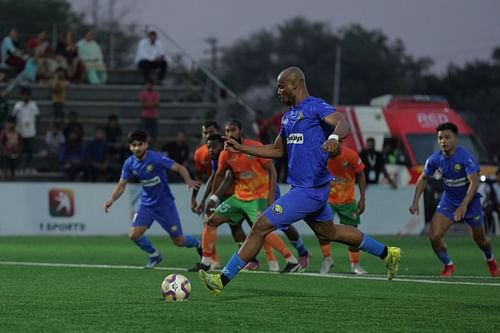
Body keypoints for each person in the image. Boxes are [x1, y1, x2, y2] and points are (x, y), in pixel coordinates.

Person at [198, 67, 401, 295]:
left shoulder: (315, 106)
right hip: (305, 188)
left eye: (281, 86)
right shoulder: (288, 118)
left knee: (260, 226)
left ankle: (221, 280)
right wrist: (241, 147)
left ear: (295, 84)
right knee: (329, 232)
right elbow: (277, 150)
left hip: (309, 191)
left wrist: (334, 137)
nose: (278, 92)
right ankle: (388, 253)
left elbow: (342, 123)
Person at [197, 121, 307, 273]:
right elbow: (220, 175)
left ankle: (291, 260)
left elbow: (272, 171)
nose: (229, 133)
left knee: (261, 229)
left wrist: (271, 197)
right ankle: (206, 261)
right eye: (227, 130)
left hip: (258, 196)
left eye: (233, 130)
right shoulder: (225, 153)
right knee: (211, 221)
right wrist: (213, 198)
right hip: (239, 196)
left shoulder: (254, 146)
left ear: (241, 131)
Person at [409, 122, 498, 277]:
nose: (443, 141)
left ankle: (490, 261)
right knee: (434, 236)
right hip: (449, 202)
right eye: (440, 138)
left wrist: (464, 205)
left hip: (470, 203)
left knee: (481, 240)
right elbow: (423, 178)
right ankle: (448, 265)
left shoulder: (465, 158)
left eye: (447, 137)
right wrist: (415, 200)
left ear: (456, 139)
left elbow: (475, 181)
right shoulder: (434, 159)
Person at [103, 129, 202, 269]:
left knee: (179, 241)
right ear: (130, 147)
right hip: (146, 205)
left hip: (165, 205)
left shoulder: (157, 159)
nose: (137, 148)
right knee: (134, 234)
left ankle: (199, 243)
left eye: (140, 144)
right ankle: (155, 255)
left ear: (146, 145)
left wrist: (188, 180)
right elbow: (121, 185)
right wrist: (111, 199)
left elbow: (179, 167)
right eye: (134, 145)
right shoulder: (129, 163)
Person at [319, 144, 368, 275]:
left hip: (348, 201)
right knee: (322, 229)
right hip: (326, 200)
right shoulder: (322, 154)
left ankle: (355, 264)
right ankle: (327, 259)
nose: (330, 149)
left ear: (338, 143)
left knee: (353, 234)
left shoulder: (351, 155)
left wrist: (362, 198)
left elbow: (361, 175)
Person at [191, 120, 221, 213]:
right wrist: (193, 198)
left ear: (218, 131)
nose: (208, 135)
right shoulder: (199, 153)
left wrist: (204, 199)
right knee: (210, 220)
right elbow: (198, 177)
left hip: (235, 191)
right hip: (214, 191)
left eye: (211, 132)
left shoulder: (228, 148)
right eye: (205, 133)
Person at [11, 86, 39, 174]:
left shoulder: (34, 105)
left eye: (27, 95)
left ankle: (28, 167)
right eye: (24, 95)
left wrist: (37, 128)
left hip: (31, 132)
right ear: (21, 95)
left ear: (30, 96)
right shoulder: (17, 106)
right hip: (19, 132)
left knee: (30, 151)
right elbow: (13, 118)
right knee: (19, 151)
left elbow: (38, 117)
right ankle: (18, 168)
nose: (26, 97)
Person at [139, 80, 160, 145]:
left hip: (153, 116)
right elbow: (142, 105)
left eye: (150, 84)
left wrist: (147, 104)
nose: (149, 86)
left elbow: (156, 104)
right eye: (148, 84)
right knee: (144, 134)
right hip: (145, 116)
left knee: (154, 135)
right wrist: (152, 104)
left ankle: (154, 148)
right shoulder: (142, 94)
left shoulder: (156, 94)